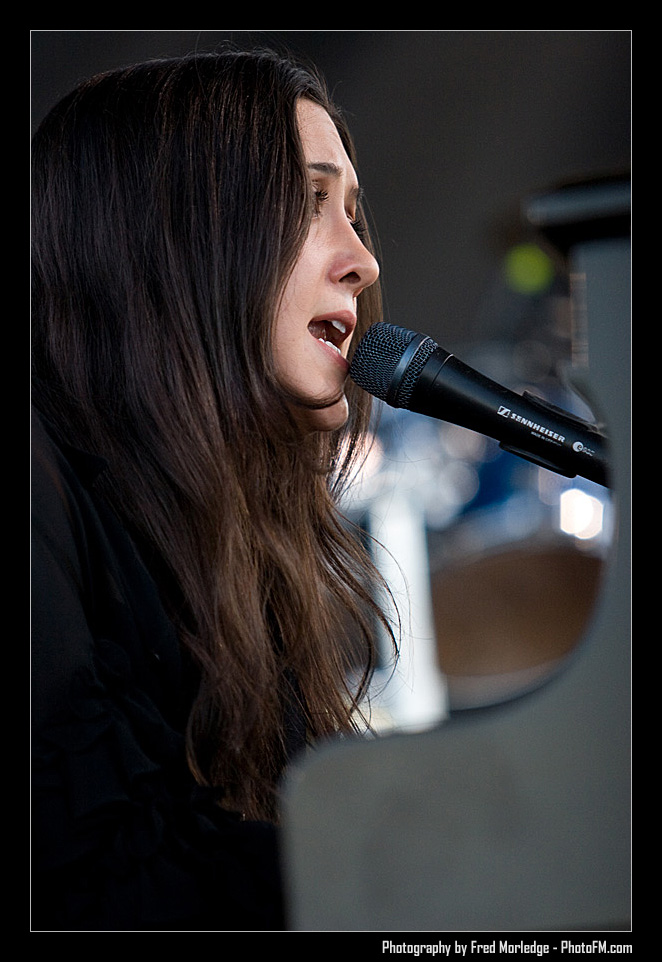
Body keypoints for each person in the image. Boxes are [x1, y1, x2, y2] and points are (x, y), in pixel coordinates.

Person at [31, 47, 395, 931]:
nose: (363, 261)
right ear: (174, 237)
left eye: (353, 213)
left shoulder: (237, 538)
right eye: (308, 203)